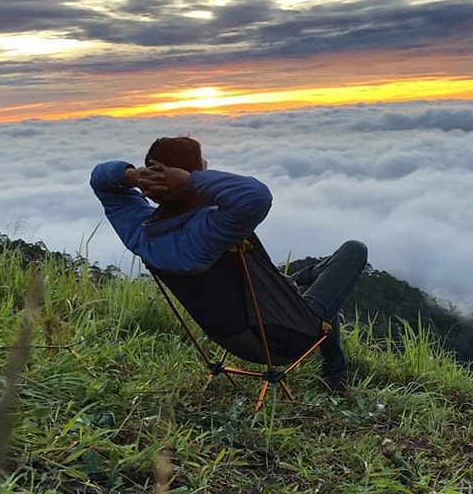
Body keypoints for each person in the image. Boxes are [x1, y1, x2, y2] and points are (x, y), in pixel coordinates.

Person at [90, 136, 367, 389]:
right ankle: (336, 372)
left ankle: (300, 283)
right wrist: (190, 181)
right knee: (354, 250)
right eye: (201, 169)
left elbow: (99, 180)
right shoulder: (209, 230)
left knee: (296, 281)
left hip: (232, 335)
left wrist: (133, 176)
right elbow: (255, 196)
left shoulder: (140, 231)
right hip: (283, 338)